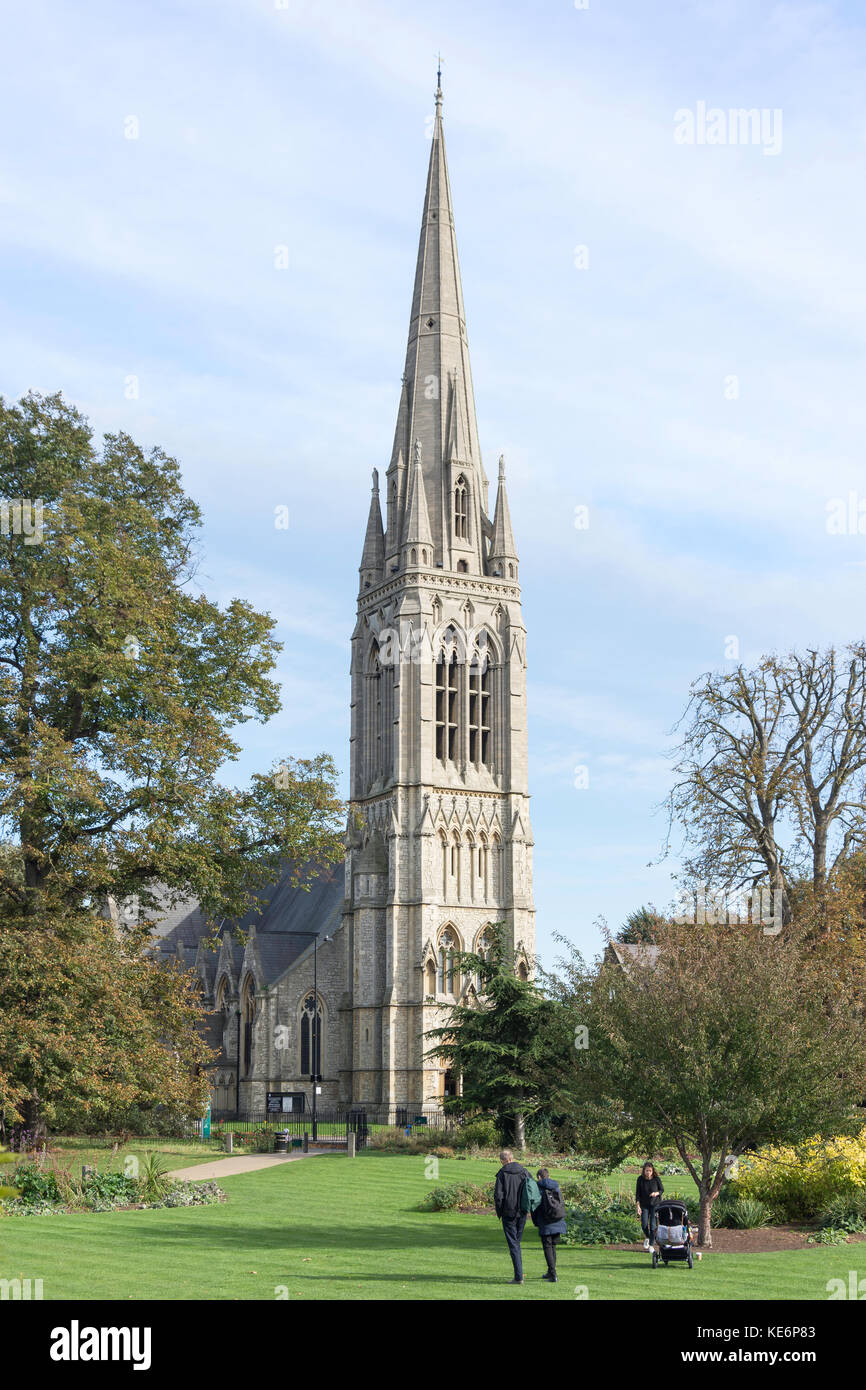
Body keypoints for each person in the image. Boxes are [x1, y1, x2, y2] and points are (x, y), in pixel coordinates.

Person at [494, 1148, 531, 1284]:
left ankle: (518, 1277)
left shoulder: (502, 1173)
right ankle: (518, 1274)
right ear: (512, 1158)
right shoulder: (524, 1171)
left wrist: (499, 1212)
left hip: (508, 1213)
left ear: (504, 1160)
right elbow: (531, 1189)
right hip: (522, 1212)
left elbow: (498, 1196)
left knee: (514, 1244)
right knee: (516, 1243)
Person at [531, 1167, 567, 1282]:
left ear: (539, 1177)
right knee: (553, 1247)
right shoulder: (556, 1186)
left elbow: (535, 1206)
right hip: (558, 1220)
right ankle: (550, 1271)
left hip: (545, 1221)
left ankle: (552, 1273)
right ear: (549, 1176)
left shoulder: (538, 1187)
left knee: (547, 1247)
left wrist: (536, 1222)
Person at [635, 1160, 664, 1250]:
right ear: (644, 1171)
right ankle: (648, 1237)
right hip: (644, 1205)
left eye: (650, 1171)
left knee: (653, 1225)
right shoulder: (640, 1179)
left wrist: (656, 1193)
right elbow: (637, 1194)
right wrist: (638, 1206)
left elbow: (662, 1190)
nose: (648, 1173)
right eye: (646, 1170)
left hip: (655, 1204)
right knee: (644, 1225)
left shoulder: (656, 1179)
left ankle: (651, 1245)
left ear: (652, 1171)